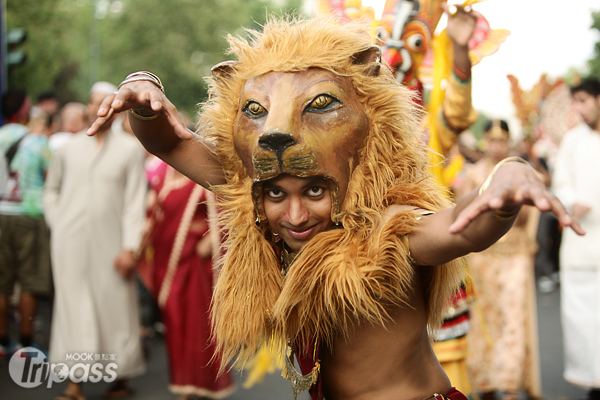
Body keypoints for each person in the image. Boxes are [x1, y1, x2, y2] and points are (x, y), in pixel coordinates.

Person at [88, 17, 583, 400]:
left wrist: (508, 180)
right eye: (278, 194)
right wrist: (143, 85)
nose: (296, 214)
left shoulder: (388, 230)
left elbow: (460, 227)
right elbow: (170, 142)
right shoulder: (261, 201)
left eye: (315, 193)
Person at [44, 82, 147, 400]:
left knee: (115, 309)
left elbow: (135, 202)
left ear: (118, 110)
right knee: (72, 309)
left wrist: (131, 246)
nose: (98, 107)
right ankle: (76, 384)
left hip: (113, 245)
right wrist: (56, 221)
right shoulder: (68, 148)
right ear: (87, 107)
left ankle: (121, 377)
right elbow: (51, 190)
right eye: (93, 102)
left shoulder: (130, 149)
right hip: (69, 244)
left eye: (106, 102)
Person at [137, 159, 235, 400]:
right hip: (166, 259)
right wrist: (137, 247)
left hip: (195, 265)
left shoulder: (202, 177)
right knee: (174, 322)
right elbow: (152, 215)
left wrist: (208, 242)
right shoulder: (163, 178)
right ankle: (183, 380)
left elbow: (225, 215)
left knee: (196, 325)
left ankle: (199, 383)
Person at [460, 120, 542, 400]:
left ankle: (509, 384)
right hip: (483, 257)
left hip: (515, 254)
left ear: (508, 142)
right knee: (485, 319)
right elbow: (465, 213)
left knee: (512, 317)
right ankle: (486, 382)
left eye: (501, 141)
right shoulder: (473, 174)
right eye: (492, 141)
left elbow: (531, 214)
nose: (497, 146)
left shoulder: (521, 173)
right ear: (485, 142)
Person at [552, 77, 600, 400]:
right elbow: (560, 182)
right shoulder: (572, 140)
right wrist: (571, 202)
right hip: (581, 243)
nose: (578, 109)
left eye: (583, 100)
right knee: (584, 321)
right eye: (575, 102)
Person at [0, 90, 53, 357]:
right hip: (29, 215)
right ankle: (25, 340)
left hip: (1, 213)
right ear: (23, 111)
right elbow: (52, 176)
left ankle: (1, 341)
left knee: (2, 281)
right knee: (30, 279)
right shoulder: (36, 143)